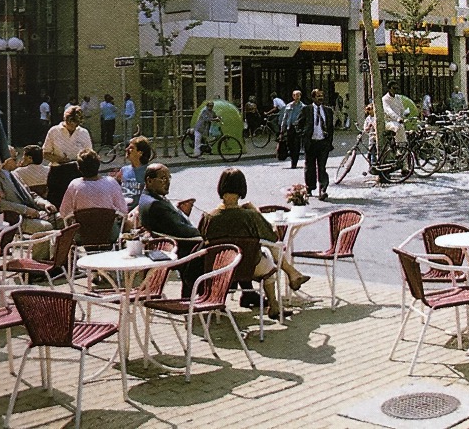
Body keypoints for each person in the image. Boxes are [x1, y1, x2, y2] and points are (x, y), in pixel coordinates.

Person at [199, 168, 310, 320]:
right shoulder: (249, 216)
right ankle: (274, 304)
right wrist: (255, 211)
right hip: (248, 266)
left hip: (218, 268)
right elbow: (272, 236)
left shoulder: (209, 217)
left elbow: (201, 240)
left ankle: (289, 280)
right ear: (242, 189)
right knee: (270, 266)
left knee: (269, 256)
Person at [138, 163, 204, 297]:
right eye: (162, 178)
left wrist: (179, 211)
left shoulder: (149, 198)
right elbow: (183, 231)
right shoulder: (155, 204)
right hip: (180, 248)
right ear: (149, 181)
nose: (167, 182)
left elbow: (169, 221)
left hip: (169, 241)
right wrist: (202, 233)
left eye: (169, 178)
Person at [59, 149, 128, 242]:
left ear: (79, 168)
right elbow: (123, 211)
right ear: (98, 165)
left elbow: (64, 212)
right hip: (109, 234)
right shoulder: (111, 182)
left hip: (82, 235)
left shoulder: (74, 185)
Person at [0, 156, 57, 237]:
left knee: (60, 219)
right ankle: (37, 250)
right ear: (4, 160)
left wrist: (45, 203)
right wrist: (25, 210)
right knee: (46, 227)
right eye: (14, 158)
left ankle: (53, 249)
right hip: (16, 218)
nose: (18, 160)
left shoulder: (14, 174)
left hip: (33, 213)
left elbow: (31, 194)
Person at [42, 105, 93, 207]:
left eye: (75, 124)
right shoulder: (54, 131)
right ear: (66, 120)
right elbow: (45, 153)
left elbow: (89, 153)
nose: (73, 126)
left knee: (78, 203)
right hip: (58, 171)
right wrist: (60, 159)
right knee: (57, 203)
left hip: (77, 171)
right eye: (70, 123)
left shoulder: (84, 132)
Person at [297, 88, 334, 201]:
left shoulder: (327, 110)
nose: (320, 98)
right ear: (313, 98)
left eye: (322, 95)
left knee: (322, 167)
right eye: (318, 96)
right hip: (311, 143)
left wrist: (329, 142)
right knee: (310, 166)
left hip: (323, 143)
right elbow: (299, 124)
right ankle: (310, 187)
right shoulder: (306, 110)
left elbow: (331, 127)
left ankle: (323, 189)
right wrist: (303, 135)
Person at [116, 135, 153, 206]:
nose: (127, 149)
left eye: (131, 148)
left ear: (140, 153)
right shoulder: (124, 170)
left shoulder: (149, 171)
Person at [279, 90, 304, 168]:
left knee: (296, 145)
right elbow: (285, 118)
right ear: (293, 96)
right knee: (290, 145)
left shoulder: (303, 107)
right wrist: (282, 130)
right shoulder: (289, 106)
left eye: (298, 95)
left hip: (298, 128)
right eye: (295, 95)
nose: (297, 97)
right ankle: (292, 158)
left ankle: (294, 162)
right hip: (290, 128)